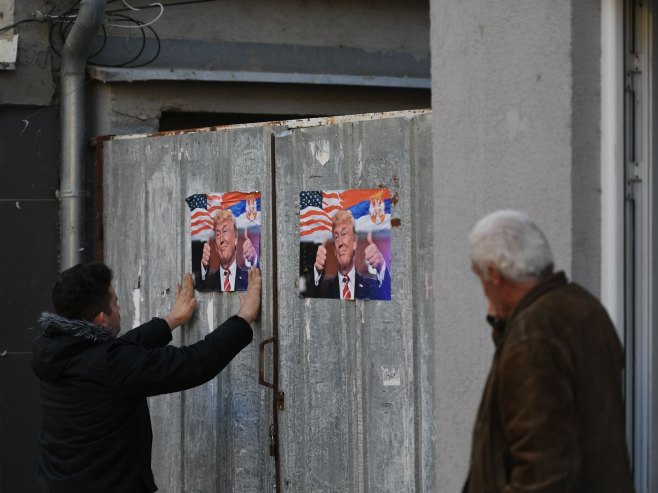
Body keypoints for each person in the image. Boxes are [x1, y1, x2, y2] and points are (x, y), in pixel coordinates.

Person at [32, 262, 261, 493]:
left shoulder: (56, 350)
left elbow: (118, 351)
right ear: (101, 318)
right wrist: (243, 318)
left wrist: (171, 320)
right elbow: (193, 363)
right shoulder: (108, 366)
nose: (119, 307)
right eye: (116, 302)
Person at [463, 209, 633, 492]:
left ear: (494, 275)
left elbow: (542, 471)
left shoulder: (534, 333)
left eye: (480, 278)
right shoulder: (584, 308)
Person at [312, 209, 390, 300]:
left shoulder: (371, 287)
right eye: (336, 237)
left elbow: (388, 299)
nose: (340, 242)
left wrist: (381, 266)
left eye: (344, 234)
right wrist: (317, 271)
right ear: (334, 249)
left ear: (354, 242)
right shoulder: (325, 289)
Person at [200, 209, 257, 292]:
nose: (221, 240)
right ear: (216, 246)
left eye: (225, 231)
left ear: (236, 238)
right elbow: (197, 289)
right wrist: (203, 267)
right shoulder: (208, 282)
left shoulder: (248, 279)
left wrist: (254, 260)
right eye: (218, 234)